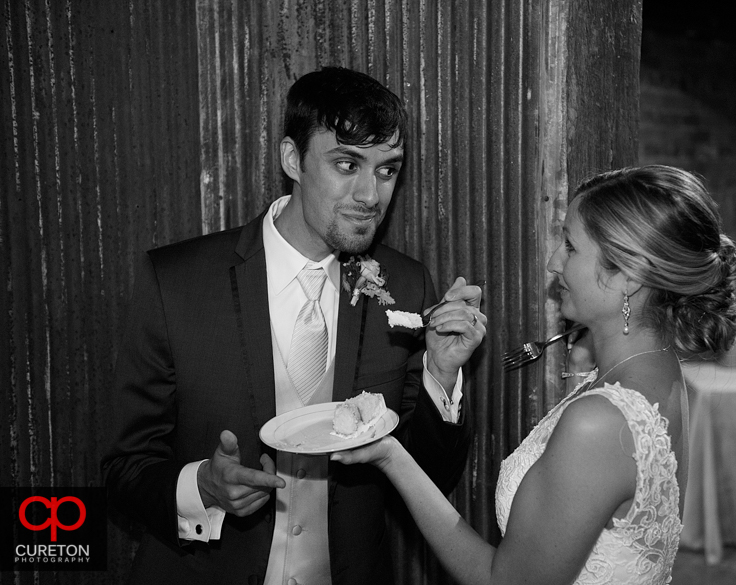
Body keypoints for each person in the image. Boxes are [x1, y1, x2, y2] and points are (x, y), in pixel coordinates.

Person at [102, 66, 485, 585]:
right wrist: (203, 487)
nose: (370, 194)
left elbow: (429, 476)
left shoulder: (407, 284)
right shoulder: (177, 283)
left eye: (387, 169)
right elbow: (124, 467)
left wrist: (441, 375)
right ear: (292, 159)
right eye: (347, 164)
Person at [334, 165, 736, 585]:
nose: (553, 263)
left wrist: (390, 455)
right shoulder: (660, 369)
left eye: (570, 246)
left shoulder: (600, 423)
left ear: (629, 274)